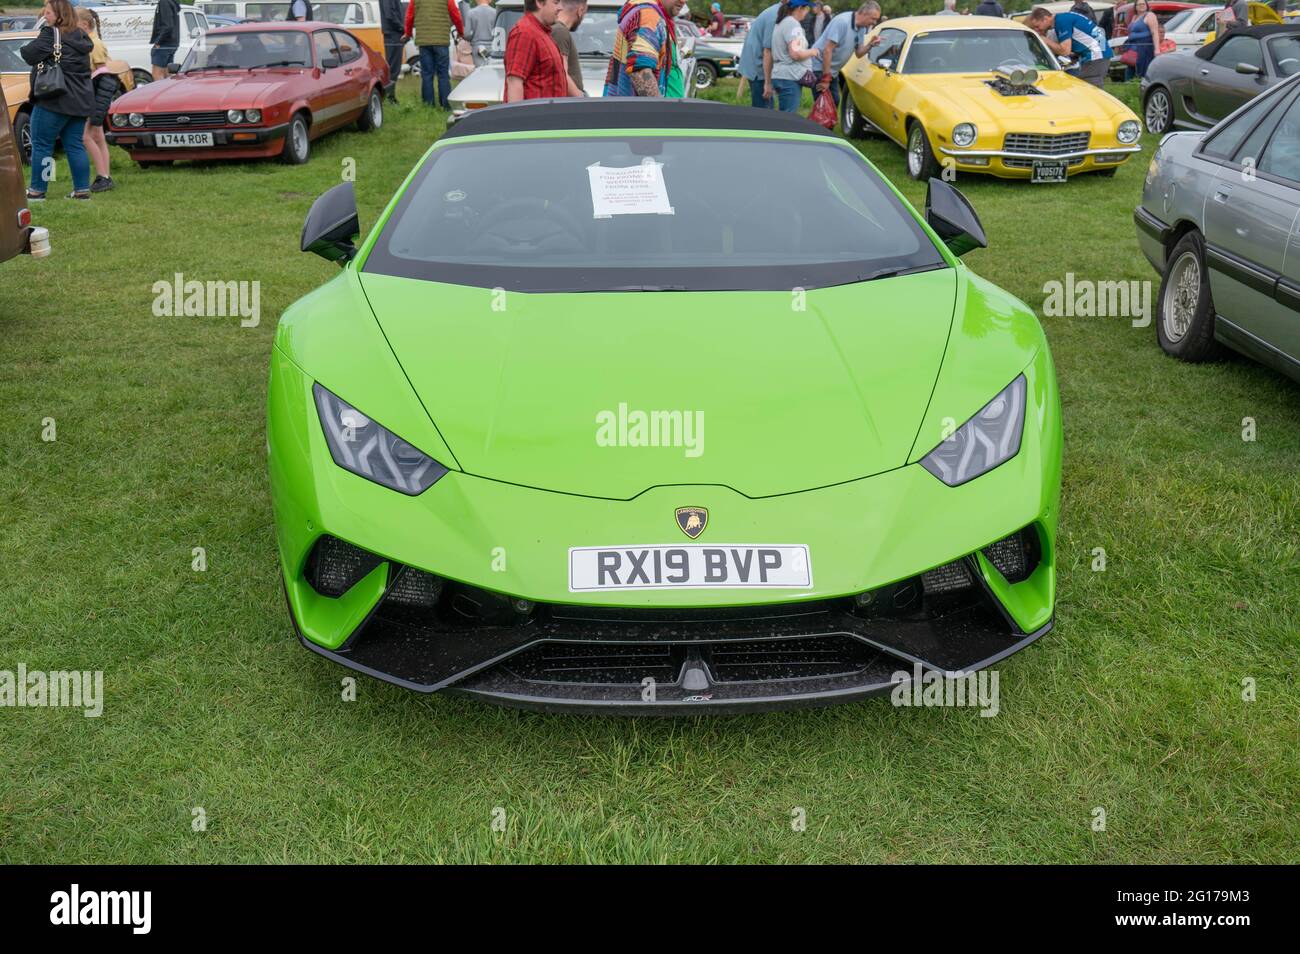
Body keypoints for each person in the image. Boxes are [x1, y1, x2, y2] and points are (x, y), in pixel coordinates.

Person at [21, 0, 93, 200]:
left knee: (42, 144)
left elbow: (28, 54)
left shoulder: (50, 34)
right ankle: (81, 191)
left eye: (49, 12)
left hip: (54, 99)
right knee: (75, 145)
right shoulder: (81, 36)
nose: (46, 15)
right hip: (79, 101)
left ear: (60, 15)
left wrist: (42, 30)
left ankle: (38, 189)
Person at [603, 0, 688, 97]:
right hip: (637, 111)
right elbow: (640, 72)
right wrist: (661, 109)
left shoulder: (655, 14)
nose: (683, 1)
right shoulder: (648, 15)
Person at [76, 6, 116, 192]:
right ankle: (105, 175)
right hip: (95, 92)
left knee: (85, 136)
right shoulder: (91, 41)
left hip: (94, 93)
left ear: (84, 24)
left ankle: (103, 175)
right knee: (97, 135)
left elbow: (100, 71)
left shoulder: (94, 44)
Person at [505, 0, 578, 100]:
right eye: (556, 2)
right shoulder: (524, 33)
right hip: (534, 115)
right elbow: (514, 83)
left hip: (546, 114)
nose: (560, 8)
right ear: (539, 2)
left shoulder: (541, 32)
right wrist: (517, 115)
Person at [1025, 5, 1111, 87]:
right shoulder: (1065, 17)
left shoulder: (1061, 21)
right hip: (1099, 53)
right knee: (1086, 89)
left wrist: (1042, 38)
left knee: (1090, 90)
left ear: (1045, 19)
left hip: (1096, 55)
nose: (1037, 30)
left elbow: (1065, 51)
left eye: (1037, 26)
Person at [813, 1, 879, 108]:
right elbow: (827, 50)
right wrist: (825, 79)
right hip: (820, 67)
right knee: (824, 106)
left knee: (833, 102)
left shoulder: (862, 28)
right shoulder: (842, 22)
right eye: (873, 18)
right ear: (864, 14)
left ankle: (819, 124)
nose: (874, 23)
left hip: (832, 71)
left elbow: (859, 53)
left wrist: (871, 44)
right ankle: (814, 124)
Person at [404, 0, 465, 108]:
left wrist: (408, 33)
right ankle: (445, 105)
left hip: (424, 42)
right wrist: (461, 32)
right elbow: (456, 15)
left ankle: (428, 105)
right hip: (441, 41)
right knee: (443, 75)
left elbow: (409, 16)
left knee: (427, 74)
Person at [770, 0, 819, 113]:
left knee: (783, 115)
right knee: (788, 119)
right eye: (807, 9)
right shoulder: (792, 24)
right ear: (799, 8)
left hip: (780, 74)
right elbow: (795, 54)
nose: (808, 12)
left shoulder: (782, 22)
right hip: (790, 77)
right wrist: (812, 52)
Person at [737, 2, 779, 107]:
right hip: (758, 67)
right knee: (764, 111)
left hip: (755, 63)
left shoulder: (775, 11)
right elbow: (768, 50)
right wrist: (768, 82)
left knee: (764, 108)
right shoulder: (775, 16)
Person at [552, 0, 587, 93]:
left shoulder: (557, 29)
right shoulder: (560, 31)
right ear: (580, 10)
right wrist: (581, 98)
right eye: (584, 13)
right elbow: (562, 75)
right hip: (569, 103)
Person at [1124, 0, 1160, 79]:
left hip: (1145, 48)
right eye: (1139, 4)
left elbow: (1155, 32)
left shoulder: (1150, 15)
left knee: (1142, 69)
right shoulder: (1134, 17)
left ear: (1146, 5)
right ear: (1135, 7)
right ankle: (1128, 86)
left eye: (1143, 4)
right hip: (1133, 47)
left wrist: (1157, 49)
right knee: (1130, 66)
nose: (1141, 5)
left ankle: (1140, 86)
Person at [379, 0, 404, 102]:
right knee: (393, 68)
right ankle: (390, 97)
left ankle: (389, 96)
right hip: (393, 33)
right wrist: (402, 28)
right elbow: (390, 15)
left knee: (393, 67)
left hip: (393, 33)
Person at [149, 0, 179, 81]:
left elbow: (168, 26)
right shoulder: (172, 2)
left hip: (164, 43)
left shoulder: (164, 2)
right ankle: (170, 93)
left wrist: (157, 42)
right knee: (168, 75)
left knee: (157, 74)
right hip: (172, 42)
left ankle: (162, 93)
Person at [464, 0, 495, 66]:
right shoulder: (495, 12)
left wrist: (472, 38)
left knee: (478, 72)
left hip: (477, 47)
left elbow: (467, 34)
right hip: (493, 47)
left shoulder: (471, 13)